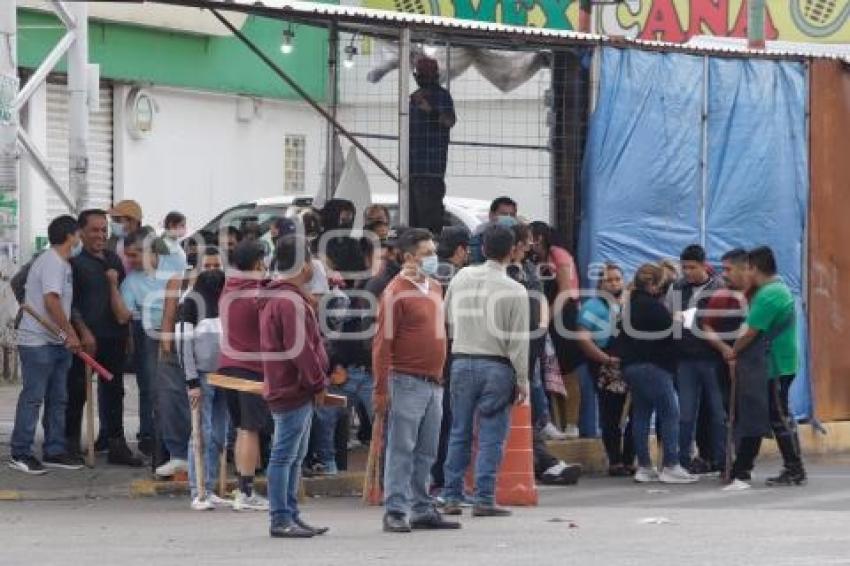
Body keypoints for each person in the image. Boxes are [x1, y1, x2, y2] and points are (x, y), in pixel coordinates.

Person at [371, 228, 458, 533]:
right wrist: (381, 389)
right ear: (409, 258)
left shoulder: (434, 287)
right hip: (405, 380)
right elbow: (382, 344)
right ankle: (395, 508)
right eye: (427, 254)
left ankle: (421, 506)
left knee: (426, 450)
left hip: (433, 382)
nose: (433, 258)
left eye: (434, 252)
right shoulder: (395, 292)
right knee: (401, 448)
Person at [442, 224, 530, 517]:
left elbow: (448, 319)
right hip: (497, 365)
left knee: (459, 432)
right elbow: (518, 341)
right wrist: (522, 380)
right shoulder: (516, 290)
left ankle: (452, 494)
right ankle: (483, 497)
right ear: (512, 251)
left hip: (462, 360)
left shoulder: (462, 276)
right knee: (491, 435)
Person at [260, 234, 329, 538]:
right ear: (304, 264)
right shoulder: (288, 301)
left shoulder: (286, 297)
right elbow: (300, 349)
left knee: (294, 456)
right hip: (293, 388)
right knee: (284, 455)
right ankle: (280, 517)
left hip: (292, 386)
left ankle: (290, 513)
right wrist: (317, 382)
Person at [110, 230, 190, 477]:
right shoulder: (131, 282)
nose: (129, 261)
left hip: (183, 333)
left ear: (150, 251)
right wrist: (112, 285)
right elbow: (123, 315)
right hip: (151, 337)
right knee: (156, 394)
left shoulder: (175, 265)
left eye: (134, 255)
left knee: (187, 393)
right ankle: (160, 449)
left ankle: (187, 450)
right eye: (127, 256)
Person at [66, 209, 142, 467]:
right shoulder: (74, 264)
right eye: (94, 230)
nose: (100, 235)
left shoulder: (113, 259)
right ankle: (69, 444)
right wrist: (83, 331)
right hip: (86, 339)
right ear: (82, 233)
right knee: (77, 391)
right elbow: (71, 303)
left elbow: (121, 296)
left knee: (114, 391)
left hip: (114, 336)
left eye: (103, 230)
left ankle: (115, 443)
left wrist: (128, 333)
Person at [9, 216, 84, 474]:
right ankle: (20, 452)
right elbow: (52, 302)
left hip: (56, 342)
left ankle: (54, 449)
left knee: (58, 399)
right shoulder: (52, 261)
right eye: (78, 235)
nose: (80, 240)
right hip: (38, 341)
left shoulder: (63, 263)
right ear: (70, 236)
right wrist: (71, 333)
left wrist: (65, 336)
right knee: (33, 398)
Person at [729, 246, 805, 487]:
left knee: (779, 416)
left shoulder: (769, 294)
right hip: (776, 361)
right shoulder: (773, 289)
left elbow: (750, 332)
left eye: (746, 268)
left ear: (754, 268)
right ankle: (744, 467)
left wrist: (733, 351)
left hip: (775, 363)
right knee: (768, 414)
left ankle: (795, 469)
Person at [619, 264, 697, 484]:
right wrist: (681, 320)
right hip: (654, 366)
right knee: (670, 413)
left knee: (641, 414)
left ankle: (644, 466)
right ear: (652, 285)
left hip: (632, 366)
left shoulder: (630, 305)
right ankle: (671, 464)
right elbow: (671, 333)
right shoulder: (652, 306)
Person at [219, 240, 273, 511]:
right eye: (262, 261)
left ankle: (244, 488)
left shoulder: (229, 287)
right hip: (250, 368)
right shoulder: (256, 294)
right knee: (250, 429)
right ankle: (246, 491)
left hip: (228, 364)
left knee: (242, 428)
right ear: (255, 263)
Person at [666, 244, 726, 474]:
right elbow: (669, 316)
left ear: (703, 265)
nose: (687, 272)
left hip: (712, 357)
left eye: (692, 267)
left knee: (718, 413)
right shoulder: (677, 288)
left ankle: (721, 460)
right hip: (685, 359)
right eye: (684, 268)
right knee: (686, 414)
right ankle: (683, 459)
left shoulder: (720, 287)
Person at [700, 249, 756, 485]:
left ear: (745, 268)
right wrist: (725, 350)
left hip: (753, 364)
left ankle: (744, 464)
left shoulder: (758, 296)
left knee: (750, 415)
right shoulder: (722, 296)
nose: (724, 275)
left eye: (728, 269)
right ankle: (731, 464)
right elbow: (706, 327)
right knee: (728, 414)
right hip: (724, 362)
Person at [178, 269, 231, 511]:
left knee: (219, 434)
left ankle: (208, 488)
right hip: (202, 375)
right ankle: (197, 489)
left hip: (222, 376)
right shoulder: (189, 303)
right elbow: (183, 344)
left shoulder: (222, 303)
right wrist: (191, 381)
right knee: (202, 433)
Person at [577, 262, 635, 477]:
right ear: (601, 283)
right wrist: (605, 359)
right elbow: (583, 339)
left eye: (617, 279)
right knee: (611, 414)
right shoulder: (593, 306)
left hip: (631, 364)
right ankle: (615, 460)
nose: (614, 283)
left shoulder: (630, 303)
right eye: (609, 280)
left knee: (636, 413)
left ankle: (630, 458)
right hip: (604, 363)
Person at [530, 221, 581, 438]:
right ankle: (554, 421)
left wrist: (547, 317)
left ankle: (572, 423)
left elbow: (566, 290)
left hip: (563, 315)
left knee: (567, 369)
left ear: (539, 237)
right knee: (549, 370)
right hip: (546, 315)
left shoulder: (558, 254)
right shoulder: (534, 260)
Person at [430, 225, 470, 493]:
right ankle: (444, 479)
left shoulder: (429, 274)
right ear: (460, 250)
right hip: (451, 353)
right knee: (450, 422)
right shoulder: (458, 278)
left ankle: (435, 477)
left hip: (430, 353)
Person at [409, 56, 456, 236]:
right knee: (413, 224)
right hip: (413, 170)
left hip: (430, 171)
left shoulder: (441, 96)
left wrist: (431, 110)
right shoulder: (413, 98)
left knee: (428, 224)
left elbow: (449, 121)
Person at [469, 197, 518, 264]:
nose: (508, 218)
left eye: (512, 215)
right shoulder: (479, 235)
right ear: (491, 215)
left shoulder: (517, 236)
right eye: (504, 214)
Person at [108, 200, 144, 273]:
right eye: (113, 219)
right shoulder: (112, 242)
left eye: (118, 220)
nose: (113, 223)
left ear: (133, 222)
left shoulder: (146, 244)